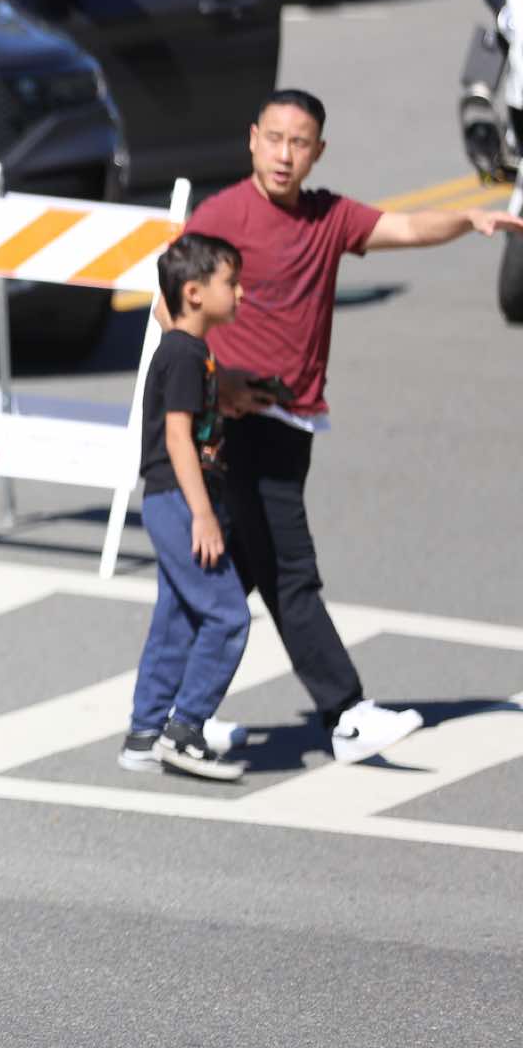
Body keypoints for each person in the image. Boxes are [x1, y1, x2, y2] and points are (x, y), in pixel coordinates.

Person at [178, 90, 523, 763]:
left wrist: (469, 220)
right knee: (289, 570)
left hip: (294, 420)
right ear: (252, 140)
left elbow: (407, 228)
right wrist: (219, 383)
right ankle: (346, 712)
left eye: (299, 142)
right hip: (243, 422)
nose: (284, 154)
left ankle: (174, 710)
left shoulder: (328, 217)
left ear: (318, 152)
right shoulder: (221, 216)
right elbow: (172, 307)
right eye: (274, 138)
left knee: (237, 571)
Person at [119, 235, 250, 781]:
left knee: (176, 620)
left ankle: (145, 735)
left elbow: (161, 307)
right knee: (228, 616)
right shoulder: (184, 355)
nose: (240, 293)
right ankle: (186, 728)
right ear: (194, 293)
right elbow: (177, 437)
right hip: (179, 499)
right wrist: (203, 514)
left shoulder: (184, 347)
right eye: (231, 283)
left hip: (171, 499)